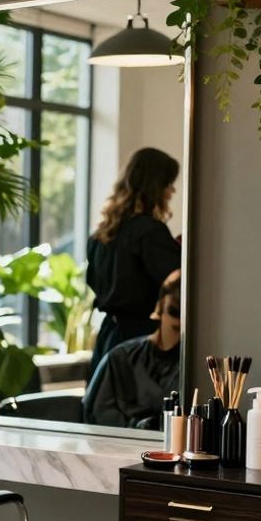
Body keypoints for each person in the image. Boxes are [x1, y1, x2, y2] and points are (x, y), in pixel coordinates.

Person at [86, 147, 181, 382]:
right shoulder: (150, 233)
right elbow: (178, 286)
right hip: (141, 344)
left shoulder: (100, 236)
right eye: (168, 183)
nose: (172, 191)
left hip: (107, 340)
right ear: (155, 186)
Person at [85, 270, 181, 428]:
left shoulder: (195, 370)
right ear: (161, 307)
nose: (177, 322)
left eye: (183, 314)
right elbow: (98, 414)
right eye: (174, 311)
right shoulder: (120, 359)